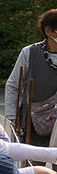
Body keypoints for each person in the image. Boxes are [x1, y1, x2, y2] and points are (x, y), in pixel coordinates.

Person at [4, 9, 57, 146]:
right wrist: (12, 116)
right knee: (35, 162)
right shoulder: (29, 53)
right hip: (35, 121)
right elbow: (14, 85)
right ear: (49, 31)